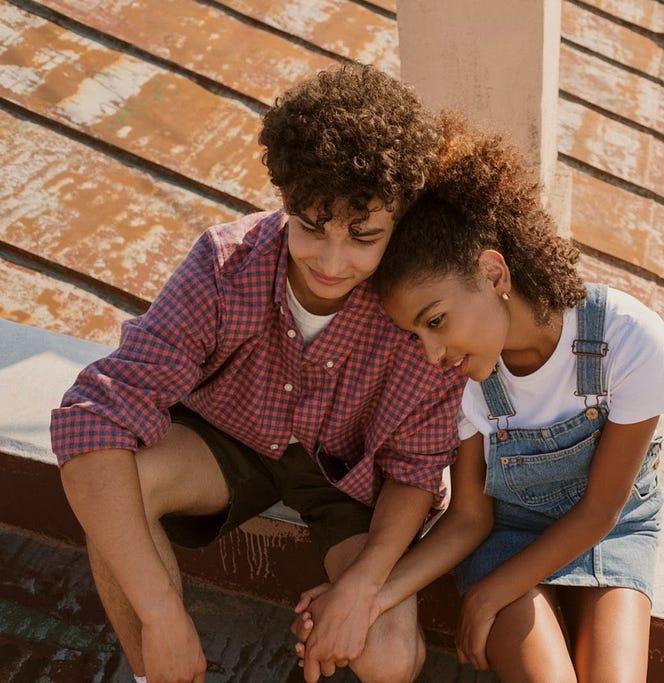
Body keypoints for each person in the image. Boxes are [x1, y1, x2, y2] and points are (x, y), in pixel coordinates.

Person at [50, 62, 465, 683]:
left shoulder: (422, 305)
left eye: (363, 235)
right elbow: (94, 422)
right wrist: (163, 615)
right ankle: (155, 673)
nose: (331, 259)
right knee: (119, 488)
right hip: (226, 439)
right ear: (285, 200)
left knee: (389, 655)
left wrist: (363, 587)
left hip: (349, 481)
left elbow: (414, 471)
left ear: (398, 220)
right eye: (309, 225)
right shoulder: (227, 262)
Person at [354, 126, 664, 681]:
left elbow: (601, 512)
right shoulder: (463, 382)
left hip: (612, 531)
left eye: (436, 321)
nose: (434, 353)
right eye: (417, 335)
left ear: (493, 273)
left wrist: (488, 597)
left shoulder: (629, 339)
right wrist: (368, 599)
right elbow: (469, 516)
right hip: (506, 534)